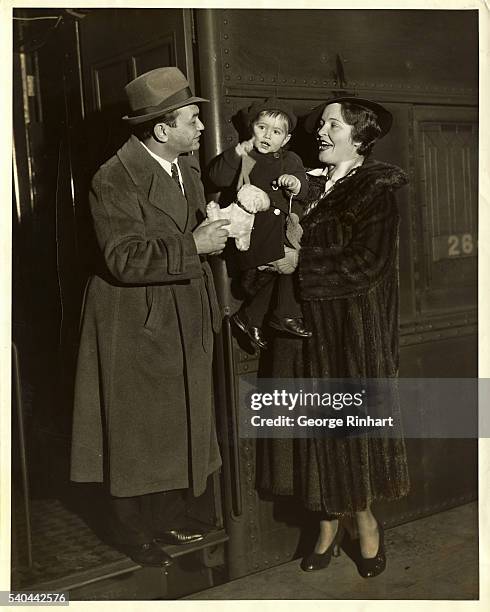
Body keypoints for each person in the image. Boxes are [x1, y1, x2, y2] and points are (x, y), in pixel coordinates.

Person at [70, 67, 230, 568]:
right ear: (162, 129)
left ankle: (171, 517)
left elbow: (192, 227)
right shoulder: (112, 177)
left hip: (183, 313)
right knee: (136, 430)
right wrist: (194, 243)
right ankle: (131, 532)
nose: (202, 127)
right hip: (135, 321)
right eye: (193, 119)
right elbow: (122, 258)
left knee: (180, 421)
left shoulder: (186, 169)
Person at [260, 96, 410, 577]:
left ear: (359, 136)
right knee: (312, 435)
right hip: (304, 333)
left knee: (349, 438)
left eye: (330, 124)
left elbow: (369, 264)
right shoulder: (314, 186)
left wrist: (300, 264)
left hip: (351, 335)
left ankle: (364, 522)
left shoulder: (375, 190)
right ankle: (327, 522)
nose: (319, 132)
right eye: (321, 124)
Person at [208, 98, 311, 351]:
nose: (267, 135)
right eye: (261, 127)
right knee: (288, 267)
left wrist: (296, 184)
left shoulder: (292, 160)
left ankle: (251, 318)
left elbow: (304, 187)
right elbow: (216, 176)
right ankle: (282, 314)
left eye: (276, 132)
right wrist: (236, 153)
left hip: (281, 233)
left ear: (285, 140)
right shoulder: (246, 157)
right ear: (250, 128)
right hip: (256, 234)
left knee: (287, 269)